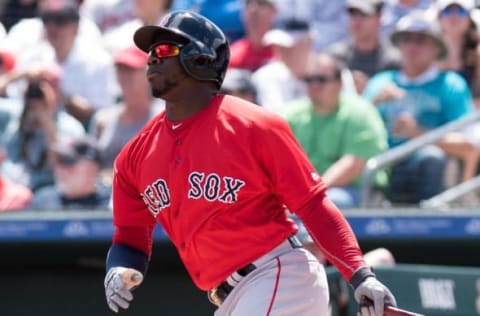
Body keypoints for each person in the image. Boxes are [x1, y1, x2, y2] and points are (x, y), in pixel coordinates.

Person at [103, 10, 397, 316]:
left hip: (279, 276)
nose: (152, 58)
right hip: (232, 297)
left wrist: (360, 274)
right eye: (151, 51)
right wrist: (118, 268)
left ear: (200, 58)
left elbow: (313, 205)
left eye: (164, 50)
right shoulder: (134, 156)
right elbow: (130, 235)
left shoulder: (253, 125)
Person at [363, 10, 475, 203]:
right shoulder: (380, 83)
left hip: (432, 173)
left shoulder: (451, 84)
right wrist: (373, 104)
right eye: (406, 40)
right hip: (383, 166)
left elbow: (468, 145)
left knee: (430, 158)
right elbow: (352, 128)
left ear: (436, 48)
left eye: (420, 40)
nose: (412, 47)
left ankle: (429, 223)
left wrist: (417, 134)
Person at [283, 53, 388, 208]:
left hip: (354, 190)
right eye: (309, 80)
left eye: (321, 80)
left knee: (330, 201)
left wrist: (311, 194)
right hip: (305, 193)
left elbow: (353, 164)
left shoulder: (360, 111)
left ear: (339, 83)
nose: (314, 85)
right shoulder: (291, 114)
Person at [89, 45, 162, 184]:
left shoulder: (163, 118)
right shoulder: (103, 119)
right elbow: (90, 163)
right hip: (103, 197)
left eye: (130, 70)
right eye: (120, 70)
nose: (124, 76)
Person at [327, 0, 402, 94]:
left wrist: (370, 90)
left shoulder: (394, 61)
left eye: (363, 15)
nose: (357, 21)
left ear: (379, 18)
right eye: (353, 14)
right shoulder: (335, 57)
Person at [30, 136, 111, 210]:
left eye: (67, 162)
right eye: (59, 160)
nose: (59, 168)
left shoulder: (112, 203)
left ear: (92, 170)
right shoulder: (43, 201)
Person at [228, 0, 278, 72]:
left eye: (261, 3)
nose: (253, 9)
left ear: (274, 11)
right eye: (248, 3)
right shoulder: (232, 55)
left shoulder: (286, 53)